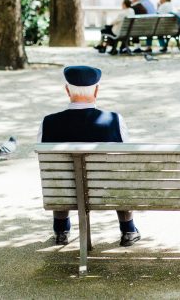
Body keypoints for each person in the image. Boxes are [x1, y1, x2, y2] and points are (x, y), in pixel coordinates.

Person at [37, 66, 140, 247]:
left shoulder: (49, 122)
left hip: (65, 192)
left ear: (67, 90)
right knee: (120, 173)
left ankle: (61, 231)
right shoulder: (115, 120)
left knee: (59, 176)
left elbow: (46, 160)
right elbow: (125, 156)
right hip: (106, 190)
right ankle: (128, 229)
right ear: (97, 90)